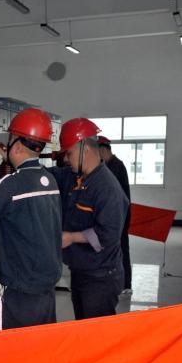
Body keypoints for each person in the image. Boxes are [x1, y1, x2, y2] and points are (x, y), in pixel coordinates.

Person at [0, 108, 63, 328]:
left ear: (18, 146)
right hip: (43, 290)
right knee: (38, 344)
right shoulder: (48, 180)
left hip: (18, 294)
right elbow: (8, 196)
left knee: (8, 347)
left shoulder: (11, 185)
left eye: (10, 140)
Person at [49, 118, 129, 320]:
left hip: (101, 278)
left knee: (96, 333)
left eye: (69, 153)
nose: (66, 159)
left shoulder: (107, 187)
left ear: (84, 149)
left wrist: (72, 237)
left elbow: (107, 235)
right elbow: (49, 175)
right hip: (82, 271)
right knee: (83, 327)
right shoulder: (76, 177)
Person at [97, 136, 133, 294]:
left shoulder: (115, 167)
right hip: (118, 214)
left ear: (103, 150)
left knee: (122, 248)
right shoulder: (110, 165)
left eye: (97, 153)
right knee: (114, 248)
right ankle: (118, 281)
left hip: (120, 215)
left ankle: (126, 284)